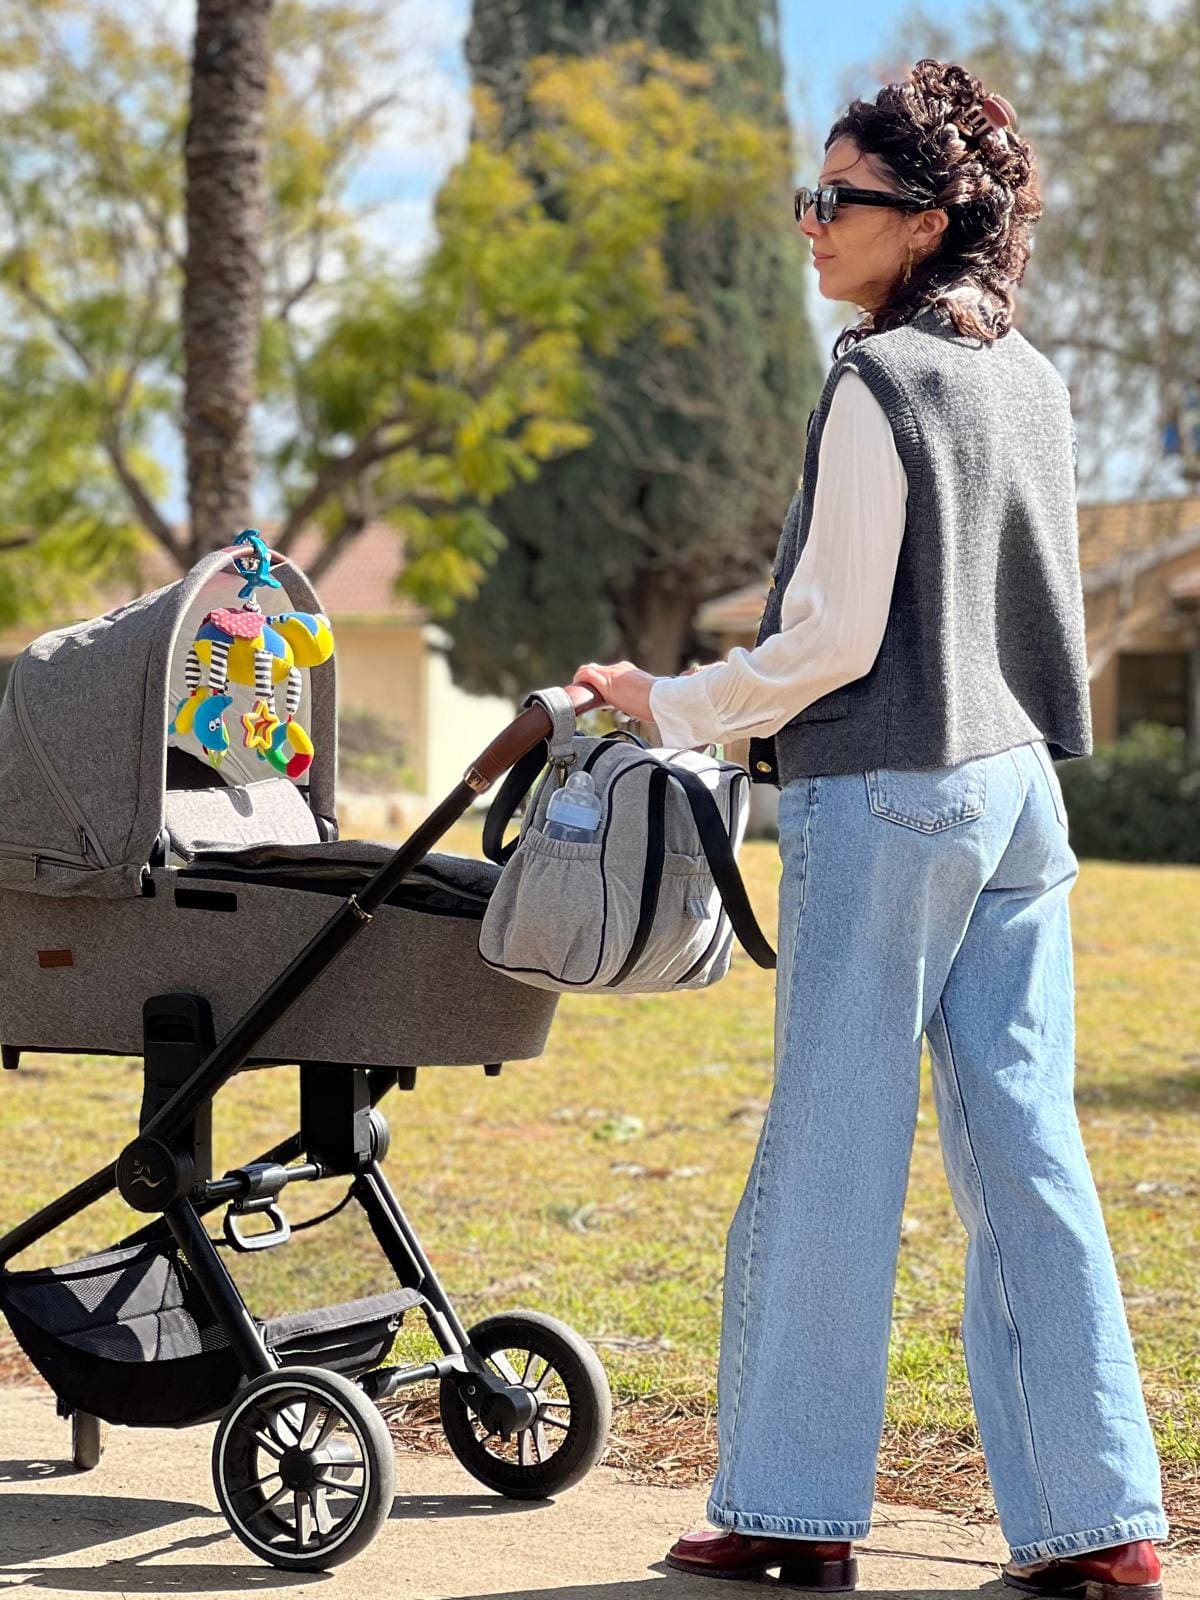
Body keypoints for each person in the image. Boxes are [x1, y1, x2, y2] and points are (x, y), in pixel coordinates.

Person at [571, 57, 1169, 1599]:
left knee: (832, 1147)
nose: (810, 226)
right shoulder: (1031, 380)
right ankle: (1101, 1521)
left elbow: (830, 638)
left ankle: (785, 1509)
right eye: (810, 198)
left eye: (840, 202)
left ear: (928, 219)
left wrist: (667, 698)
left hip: (888, 789)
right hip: (1019, 790)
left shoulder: (879, 379)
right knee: (1025, 1146)